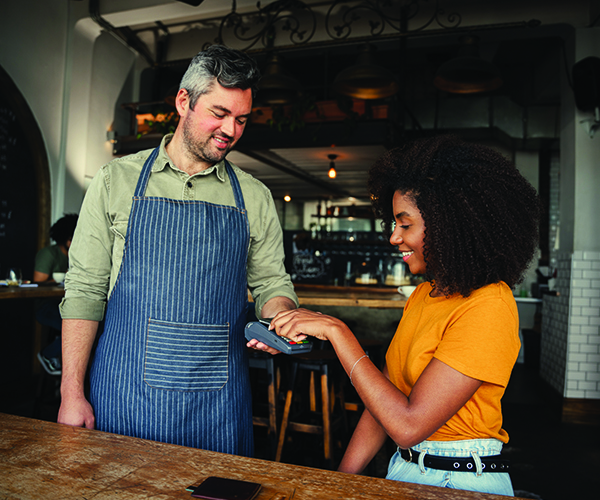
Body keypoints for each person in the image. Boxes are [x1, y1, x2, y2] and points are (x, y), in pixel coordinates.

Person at [57, 45, 298, 457]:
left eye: (241, 119)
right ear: (183, 101)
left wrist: (278, 319)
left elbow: (272, 282)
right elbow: (85, 289)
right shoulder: (116, 180)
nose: (231, 130)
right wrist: (70, 393)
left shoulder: (254, 197)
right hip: (124, 392)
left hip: (218, 401)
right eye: (219, 114)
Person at [270, 135, 541, 495]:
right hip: (406, 470)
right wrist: (338, 482)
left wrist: (338, 332)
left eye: (405, 224)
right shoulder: (426, 295)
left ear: (449, 225)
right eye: (394, 224)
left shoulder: (489, 305)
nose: (394, 237)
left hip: (457, 481)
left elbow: (408, 424)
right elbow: (383, 402)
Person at [33, 213, 78, 375]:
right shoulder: (49, 254)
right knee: (73, 326)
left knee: (85, 323)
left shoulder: (76, 257)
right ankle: (48, 354)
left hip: (66, 304)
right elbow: (37, 282)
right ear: (67, 239)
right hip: (45, 306)